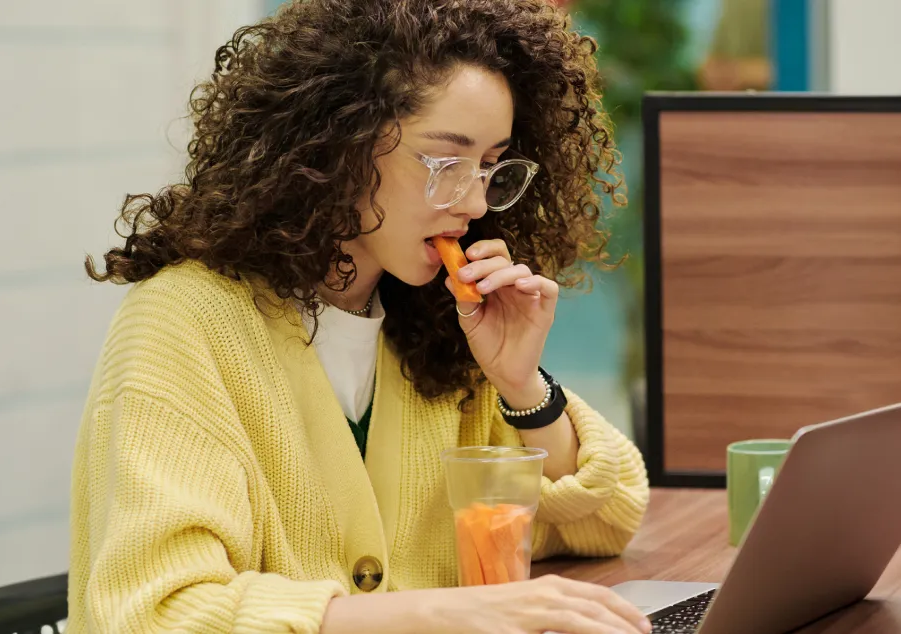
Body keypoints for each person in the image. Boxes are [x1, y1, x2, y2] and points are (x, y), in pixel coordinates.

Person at [69, 0, 651, 632]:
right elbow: (160, 613)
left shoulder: (439, 324)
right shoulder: (182, 323)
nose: (476, 202)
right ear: (339, 146)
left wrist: (521, 386)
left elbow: (606, 520)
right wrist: (442, 612)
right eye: (446, 163)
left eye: (490, 166)